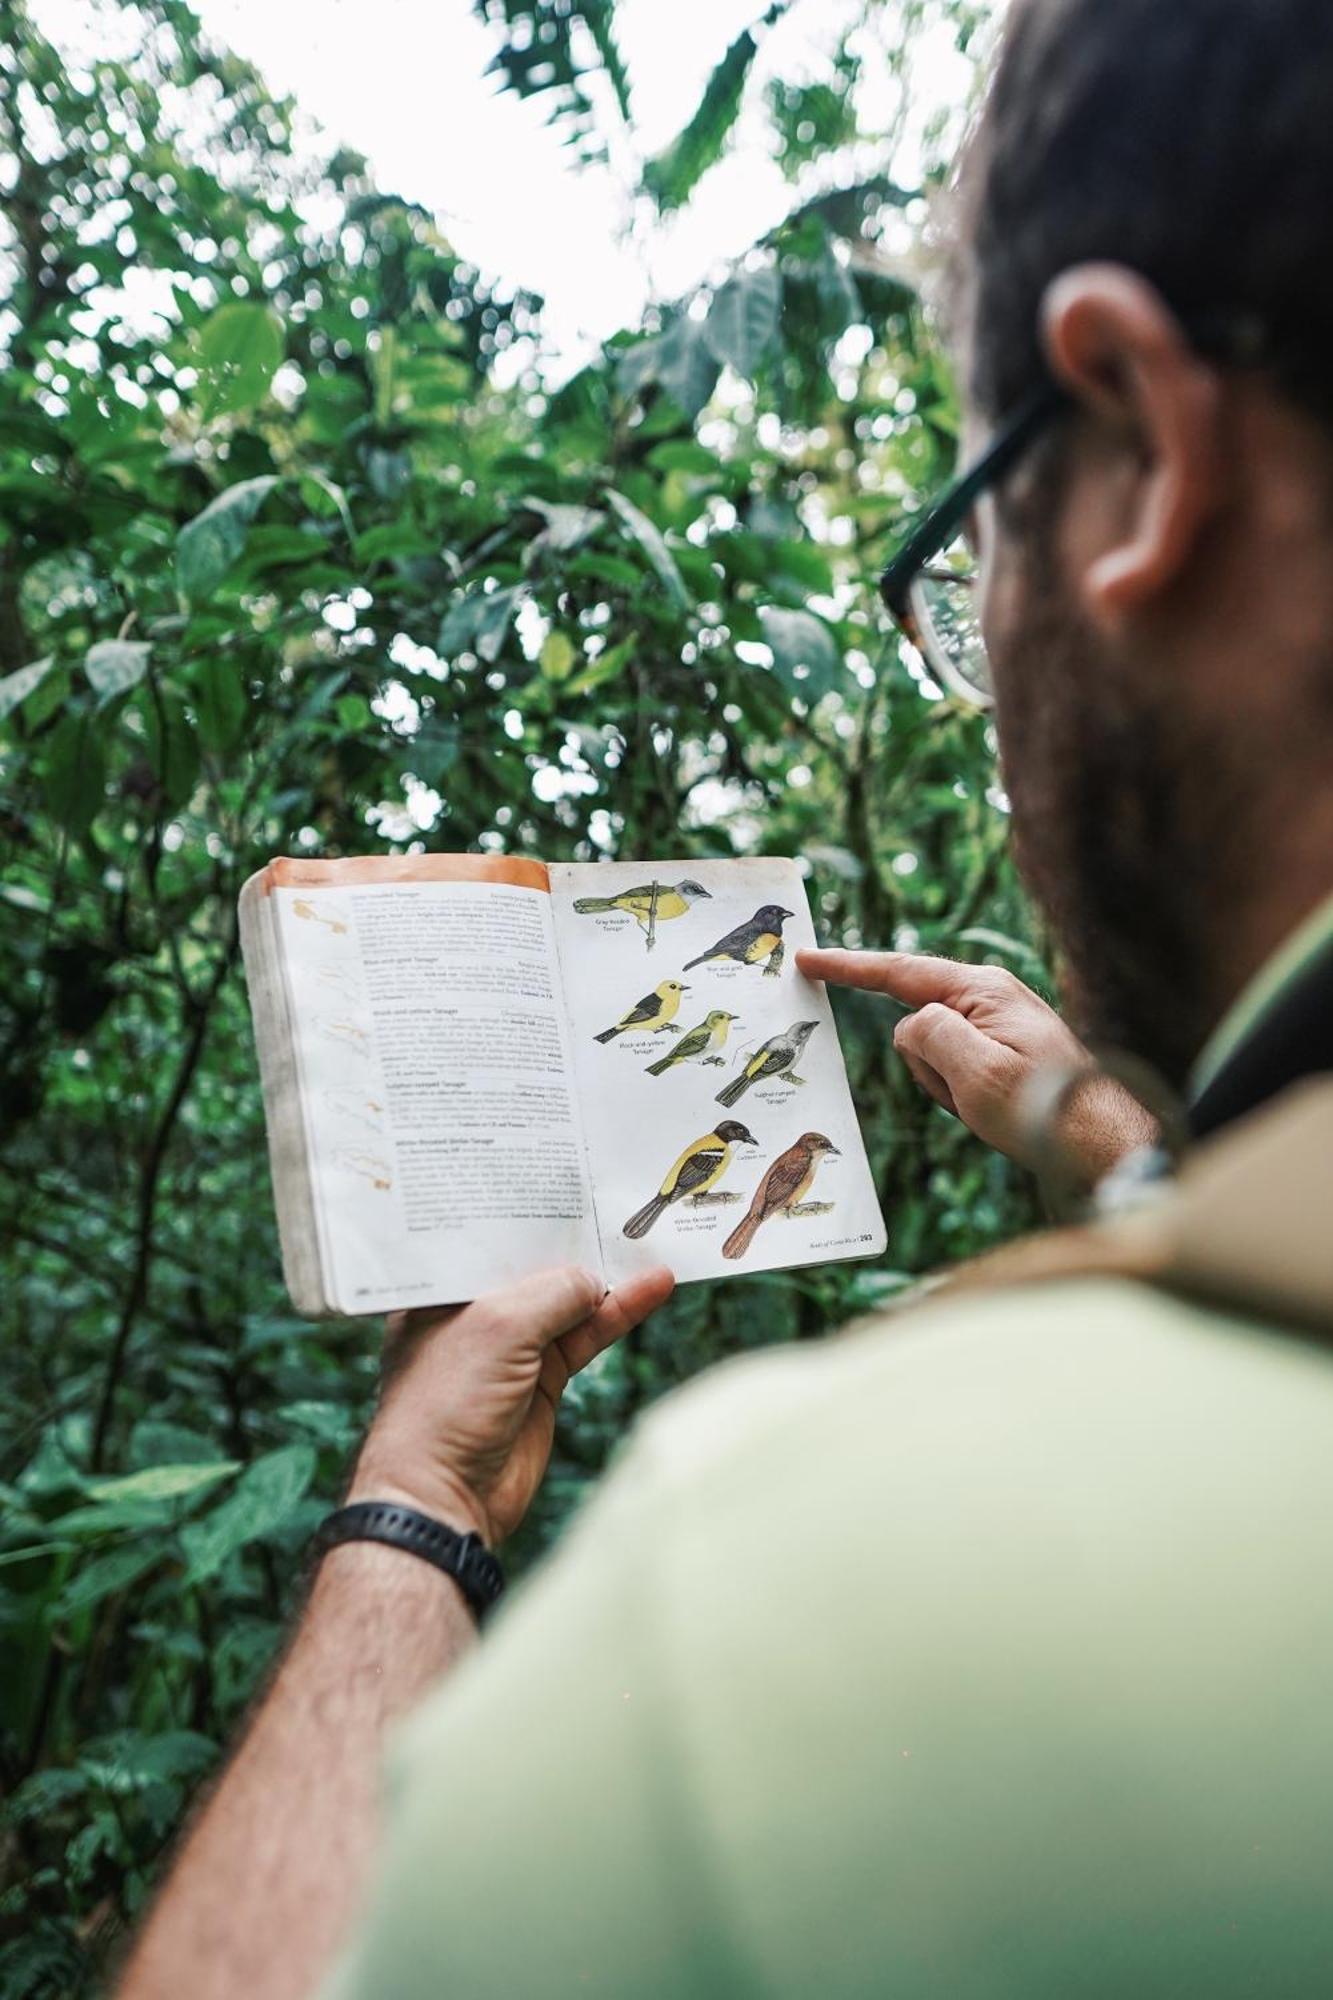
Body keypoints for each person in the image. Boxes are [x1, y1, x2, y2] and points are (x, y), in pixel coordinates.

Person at [119, 0, 1333, 1993]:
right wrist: (1116, 1149)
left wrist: (415, 1507)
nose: (985, 685)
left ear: (1147, 454)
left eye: (970, 555)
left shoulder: (784, 1617)